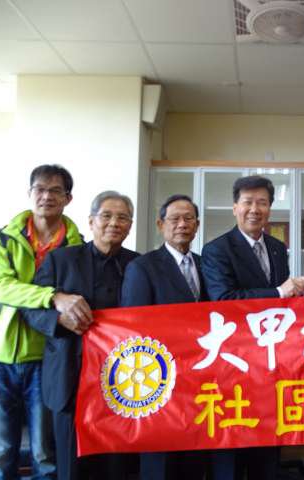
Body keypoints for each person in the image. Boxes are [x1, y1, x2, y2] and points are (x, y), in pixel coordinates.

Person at [23, 191, 139, 480]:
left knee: (117, 467)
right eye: (106, 216)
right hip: (69, 379)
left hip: (123, 382)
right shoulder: (60, 260)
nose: (114, 223)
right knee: (70, 466)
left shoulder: (139, 265)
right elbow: (30, 310)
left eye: (122, 218)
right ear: (91, 221)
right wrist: (59, 320)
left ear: (130, 226)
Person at [0, 164, 83, 479]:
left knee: (45, 454)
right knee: (0, 454)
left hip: (46, 361)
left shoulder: (77, 248)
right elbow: (0, 287)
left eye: (55, 191)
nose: (46, 196)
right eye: (40, 189)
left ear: (68, 198)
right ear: (29, 193)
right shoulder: (2, 238)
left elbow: (79, 298)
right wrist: (52, 296)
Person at [201, 175, 304, 479]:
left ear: (270, 209)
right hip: (234, 361)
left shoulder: (277, 247)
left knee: (268, 442)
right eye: (247, 202)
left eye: (262, 203)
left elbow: (285, 303)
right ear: (234, 207)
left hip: (272, 360)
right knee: (232, 446)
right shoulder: (217, 249)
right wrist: (279, 292)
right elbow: (224, 299)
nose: (254, 209)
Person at [121, 193, 207, 480]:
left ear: (197, 225)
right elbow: (133, 327)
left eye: (189, 218)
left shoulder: (205, 264)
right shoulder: (142, 267)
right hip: (159, 378)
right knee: (160, 459)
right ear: (160, 225)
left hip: (199, 377)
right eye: (174, 219)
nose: (182, 224)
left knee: (194, 455)